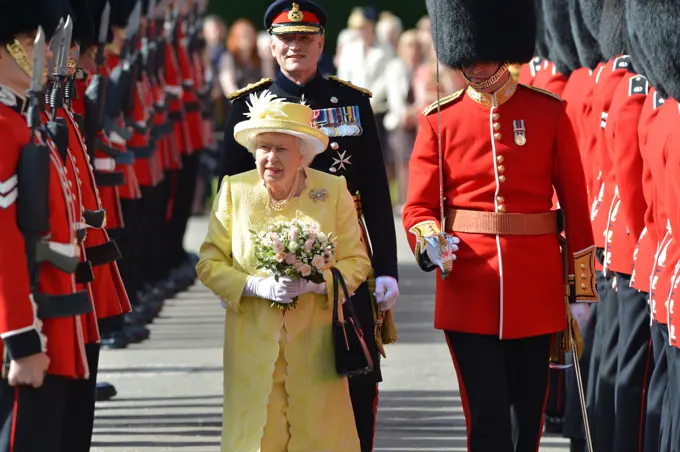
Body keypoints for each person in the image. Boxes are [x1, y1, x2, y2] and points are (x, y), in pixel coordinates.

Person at [402, 0, 598, 450]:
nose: (476, 61)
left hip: (536, 287)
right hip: (468, 286)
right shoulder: (439, 120)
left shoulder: (548, 112)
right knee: (487, 418)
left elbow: (576, 204)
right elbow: (418, 208)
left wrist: (581, 288)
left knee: (525, 419)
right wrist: (429, 241)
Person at [219, 2, 400, 450]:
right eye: (287, 39)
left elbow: (377, 192)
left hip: (344, 254)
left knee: (354, 369)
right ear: (272, 45)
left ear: (321, 42)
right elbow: (228, 192)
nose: (295, 47)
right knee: (277, 383)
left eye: (305, 38)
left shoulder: (351, 101)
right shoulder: (247, 104)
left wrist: (390, 268)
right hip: (269, 263)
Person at [197, 92, 370, 451]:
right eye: (263, 148)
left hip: (316, 348)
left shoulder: (333, 190)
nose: (270, 158)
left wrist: (317, 284)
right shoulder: (235, 190)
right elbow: (209, 263)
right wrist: (254, 286)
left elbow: (357, 262)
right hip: (253, 347)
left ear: (302, 153)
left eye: (281, 149)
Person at [0, 1, 101, 450]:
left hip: (50, 316)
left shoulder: (23, 122)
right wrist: (20, 338)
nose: (41, 52)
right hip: (26, 325)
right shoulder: (4, 127)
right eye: (26, 42)